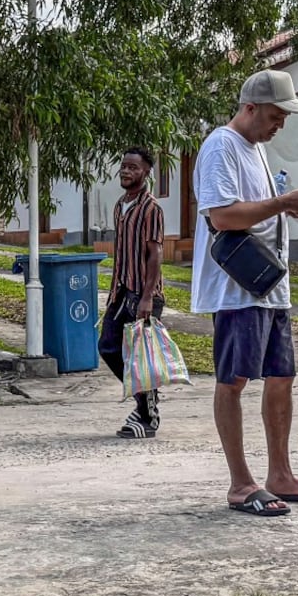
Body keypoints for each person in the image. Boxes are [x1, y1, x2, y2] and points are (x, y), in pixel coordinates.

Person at [191, 69, 298, 516]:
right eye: (276, 115)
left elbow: (252, 211)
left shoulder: (255, 149)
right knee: (234, 380)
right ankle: (241, 484)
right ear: (250, 107)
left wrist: (287, 210)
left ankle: (281, 474)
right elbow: (221, 216)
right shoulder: (222, 146)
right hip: (237, 289)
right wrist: (282, 203)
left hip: (269, 286)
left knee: (282, 377)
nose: (281, 124)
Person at [96, 147, 166, 439]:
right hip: (120, 292)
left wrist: (148, 297)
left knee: (140, 359)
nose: (126, 171)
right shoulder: (120, 206)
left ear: (146, 172)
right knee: (108, 347)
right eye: (124, 166)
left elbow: (155, 254)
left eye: (133, 168)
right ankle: (145, 401)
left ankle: (148, 418)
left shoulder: (151, 208)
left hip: (143, 294)